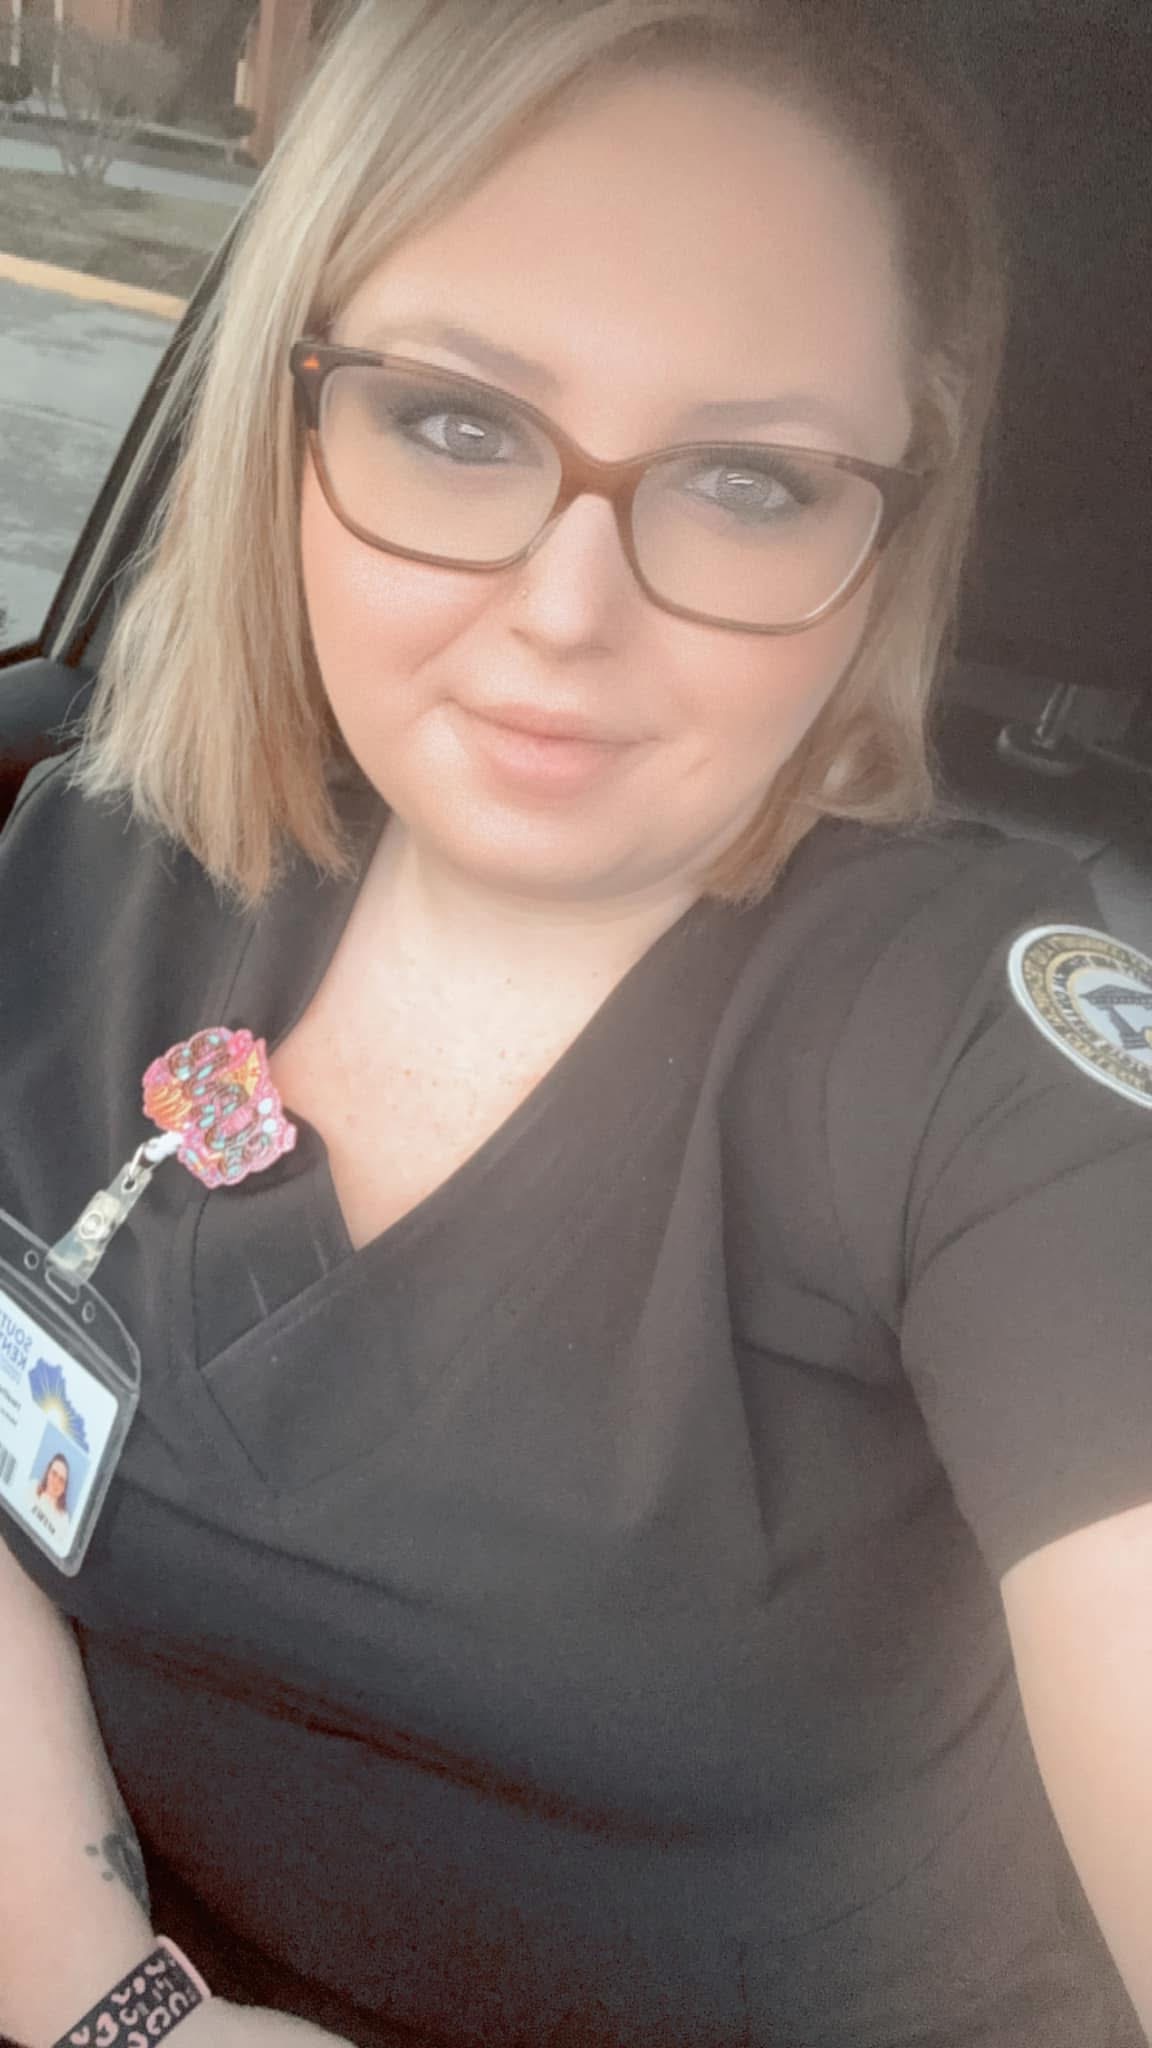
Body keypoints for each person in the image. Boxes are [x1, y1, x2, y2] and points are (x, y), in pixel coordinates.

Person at [0, 1, 1150, 2044]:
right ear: (289, 418)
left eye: (747, 478)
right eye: (457, 424)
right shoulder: (99, 860)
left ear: (886, 531)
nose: (566, 607)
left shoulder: (990, 1066)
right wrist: (110, 2000)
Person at [32, 1454, 71, 1524]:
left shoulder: (64, 1519)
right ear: (47, 1473)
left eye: (61, 1480)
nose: (56, 1482)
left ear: (64, 1488)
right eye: (54, 1474)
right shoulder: (32, 1487)